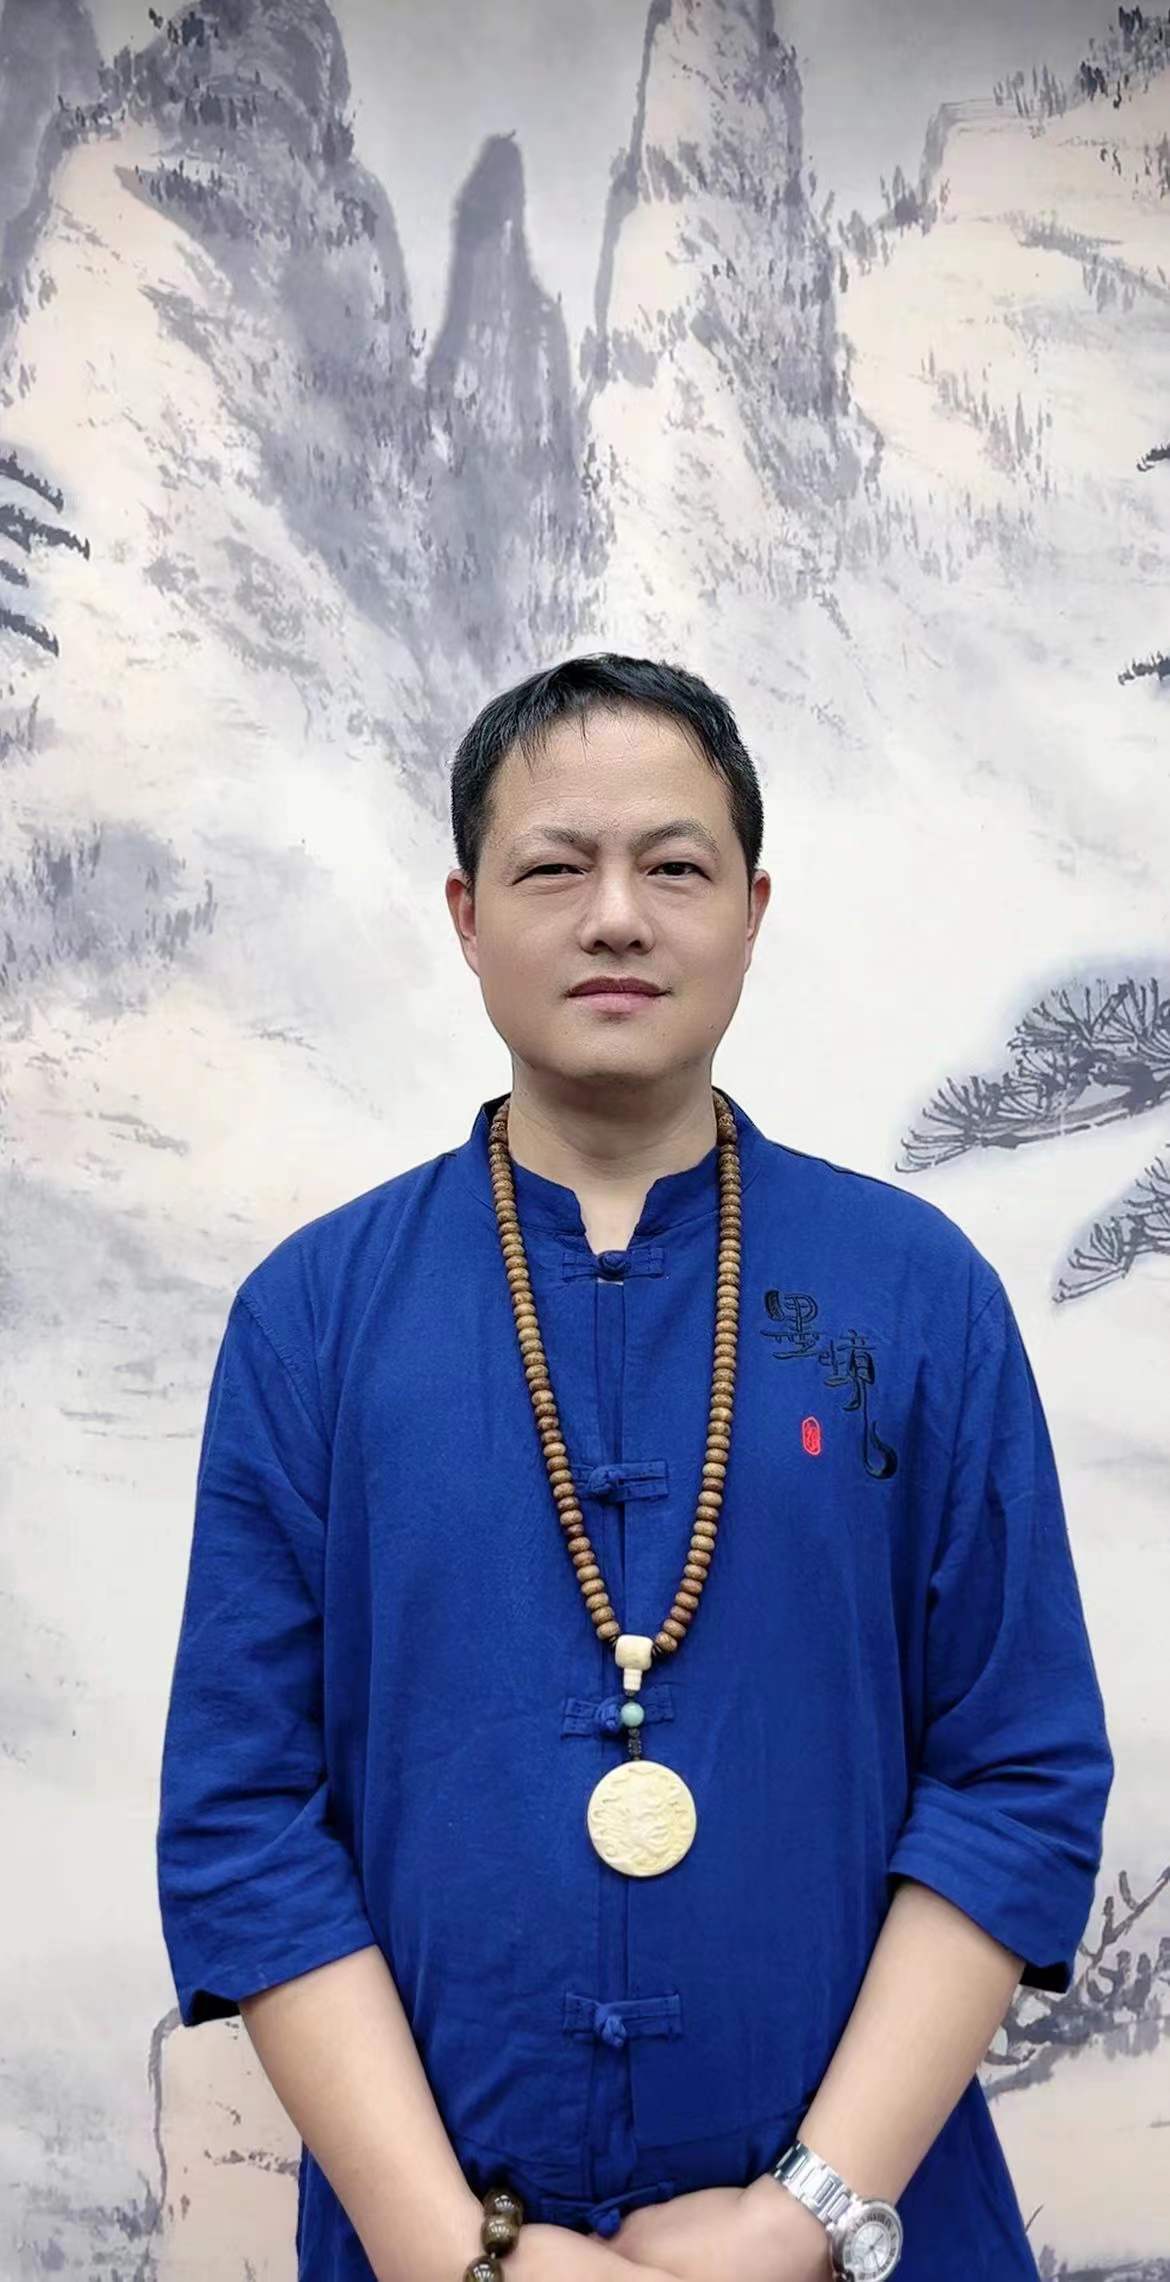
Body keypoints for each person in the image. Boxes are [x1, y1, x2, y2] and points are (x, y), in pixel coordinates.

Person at [156, 654, 1114, 2282]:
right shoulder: (311, 1318)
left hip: (864, 2235)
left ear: (750, 909)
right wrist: (465, 2255)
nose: (615, 917)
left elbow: (1013, 1777)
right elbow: (246, 1820)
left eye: (673, 866)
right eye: (554, 868)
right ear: (466, 916)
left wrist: (794, 2222)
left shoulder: (916, 1292)